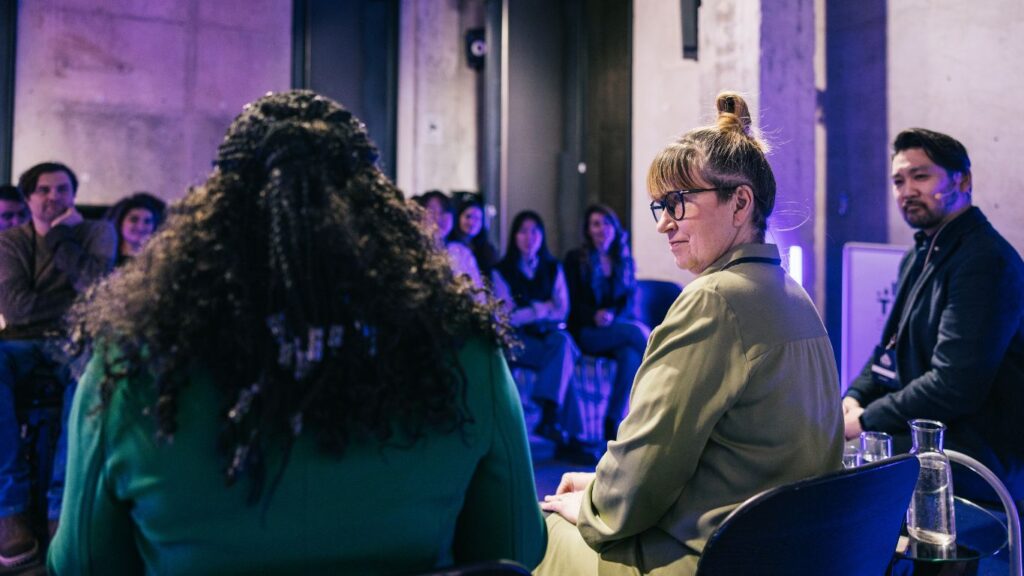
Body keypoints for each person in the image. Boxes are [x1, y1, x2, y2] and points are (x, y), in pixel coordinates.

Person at [47, 91, 546, 575]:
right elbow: (517, 546)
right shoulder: (464, 353)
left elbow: (81, 564)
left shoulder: (132, 364)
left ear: (213, 213)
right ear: (380, 210)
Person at [534, 92, 843, 576]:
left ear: (740, 202)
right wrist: (602, 484)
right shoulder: (793, 296)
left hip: (709, 559)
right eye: (660, 206)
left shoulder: (713, 300)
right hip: (791, 553)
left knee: (540, 526)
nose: (663, 224)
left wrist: (592, 504)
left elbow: (634, 487)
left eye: (678, 203)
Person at [843, 128, 1024, 501]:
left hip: (977, 457)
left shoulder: (985, 260)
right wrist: (853, 397)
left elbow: (954, 386)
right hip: (929, 439)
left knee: (837, 473)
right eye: (898, 180)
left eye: (921, 176)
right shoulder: (920, 254)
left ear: (963, 179)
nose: (907, 190)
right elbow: (887, 351)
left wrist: (865, 421)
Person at [0, 162, 116, 567]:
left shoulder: (96, 232)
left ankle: (59, 510)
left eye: (63, 189)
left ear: (73, 195)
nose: (54, 197)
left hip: (75, 342)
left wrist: (61, 239)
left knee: (87, 371)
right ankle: (9, 508)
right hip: (19, 344)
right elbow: (15, 307)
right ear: (28, 198)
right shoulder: (11, 241)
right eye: (44, 191)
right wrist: (76, 302)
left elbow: (98, 293)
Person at [564, 204, 649, 444]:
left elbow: (630, 303)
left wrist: (611, 315)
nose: (602, 229)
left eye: (607, 223)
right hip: (586, 332)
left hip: (615, 331)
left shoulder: (623, 260)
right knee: (638, 332)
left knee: (631, 355)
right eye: (596, 224)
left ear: (615, 227)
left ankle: (612, 423)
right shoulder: (575, 259)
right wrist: (594, 315)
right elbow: (570, 303)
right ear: (588, 230)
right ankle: (664, 371)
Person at [491, 211, 579, 446]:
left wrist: (528, 310)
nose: (529, 237)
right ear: (514, 236)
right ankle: (563, 429)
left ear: (541, 236)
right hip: (517, 342)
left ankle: (552, 420)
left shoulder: (552, 268)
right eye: (522, 231)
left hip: (547, 340)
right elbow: (507, 317)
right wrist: (542, 309)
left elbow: (563, 310)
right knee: (564, 357)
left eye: (534, 231)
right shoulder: (502, 270)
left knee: (563, 345)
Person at [416, 190, 484, 290]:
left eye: (444, 211)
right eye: (432, 212)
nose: (438, 218)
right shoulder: (413, 253)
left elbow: (478, 293)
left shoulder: (461, 252)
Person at [104, 192, 167, 267]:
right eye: (134, 219)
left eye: (147, 221)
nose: (141, 227)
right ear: (120, 223)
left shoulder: (160, 264)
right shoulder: (103, 261)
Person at [450, 196, 500, 276]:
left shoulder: (487, 250)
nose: (471, 222)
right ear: (458, 217)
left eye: (477, 218)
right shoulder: (450, 246)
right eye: (468, 216)